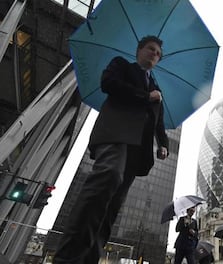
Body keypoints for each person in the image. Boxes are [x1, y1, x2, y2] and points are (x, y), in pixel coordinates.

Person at [53, 35, 169, 264]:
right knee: (108, 177)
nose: (154, 55)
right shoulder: (121, 66)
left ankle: (89, 258)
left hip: (137, 152)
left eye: (158, 53)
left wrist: (163, 144)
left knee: (112, 208)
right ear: (139, 50)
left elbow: (159, 122)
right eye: (151, 49)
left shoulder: (157, 89)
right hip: (115, 134)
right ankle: (67, 257)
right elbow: (109, 84)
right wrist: (145, 96)